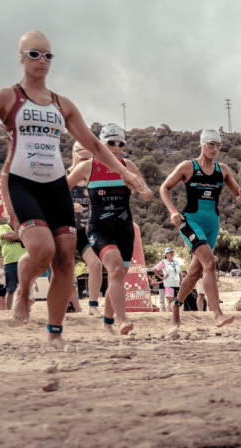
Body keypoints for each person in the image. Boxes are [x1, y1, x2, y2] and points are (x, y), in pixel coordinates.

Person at [0, 31, 146, 347]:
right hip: (20, 182)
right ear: (21, 57)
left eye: (47, 55)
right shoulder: (7, 97)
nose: (41, 60)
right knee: (43, 249)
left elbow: (94, 144)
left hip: (54, 184)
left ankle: (55, 332)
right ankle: (24, 289)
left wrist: (124, 171)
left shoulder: (62, 104)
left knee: (66, 254)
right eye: (34, 54)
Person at [68, 123, 153, 335]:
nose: (116, 147)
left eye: (121, 143)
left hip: (124, 230)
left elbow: (147, 192)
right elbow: (61, 190)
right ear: (101, 144)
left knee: (118, 277)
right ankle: (122, 320)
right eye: (111, 142)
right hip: (99, 229)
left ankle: (107, 322)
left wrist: (144, 191)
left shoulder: (128, 165)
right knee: (115, 269)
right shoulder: (88, 167)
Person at [161, 129, 241, 329]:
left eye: (218, 145)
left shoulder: (223, 170)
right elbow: (164, 187)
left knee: (194, 274)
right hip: (190, 221)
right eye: (211, 144)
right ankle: (217, 314)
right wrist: (172, 211)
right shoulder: (188, 166)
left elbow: (239, 197)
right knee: (209, 263)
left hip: (213, 225)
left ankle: (176, 305)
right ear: (201, 144)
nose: (215, 149)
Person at [69, 141, 103, 316]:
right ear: (74, 155)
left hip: (85, 231)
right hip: (64, 230)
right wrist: (70, 204)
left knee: (96, 264)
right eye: (82, 159)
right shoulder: (64, 176)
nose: (85, 163)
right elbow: (51, 200)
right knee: (66, 269)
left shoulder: (93, 180)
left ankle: (93, 305)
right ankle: (74, 307)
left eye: (88, 160)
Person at [0, 222, 26, 311]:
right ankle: (9, 311)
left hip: (25, 261)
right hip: (10, 262)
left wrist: (17, 236)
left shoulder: (22, 227)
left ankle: (24, 310)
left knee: (25, 288)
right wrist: (22, 236)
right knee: (11, 289)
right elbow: (9, 236)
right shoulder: (2, 227)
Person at [153, 248, 181, 315]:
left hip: (177, 284)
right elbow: (155, 270)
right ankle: (170, 315)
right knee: (170, 300)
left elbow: (179, 272)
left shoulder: (176, 262)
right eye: (169, 252)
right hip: (168, 284)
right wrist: (162, 277)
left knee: (177, 301)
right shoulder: (164, 262)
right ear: (166, 254)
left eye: (172, 252)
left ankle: (176, 314)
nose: (171, 253)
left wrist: (181, 281)